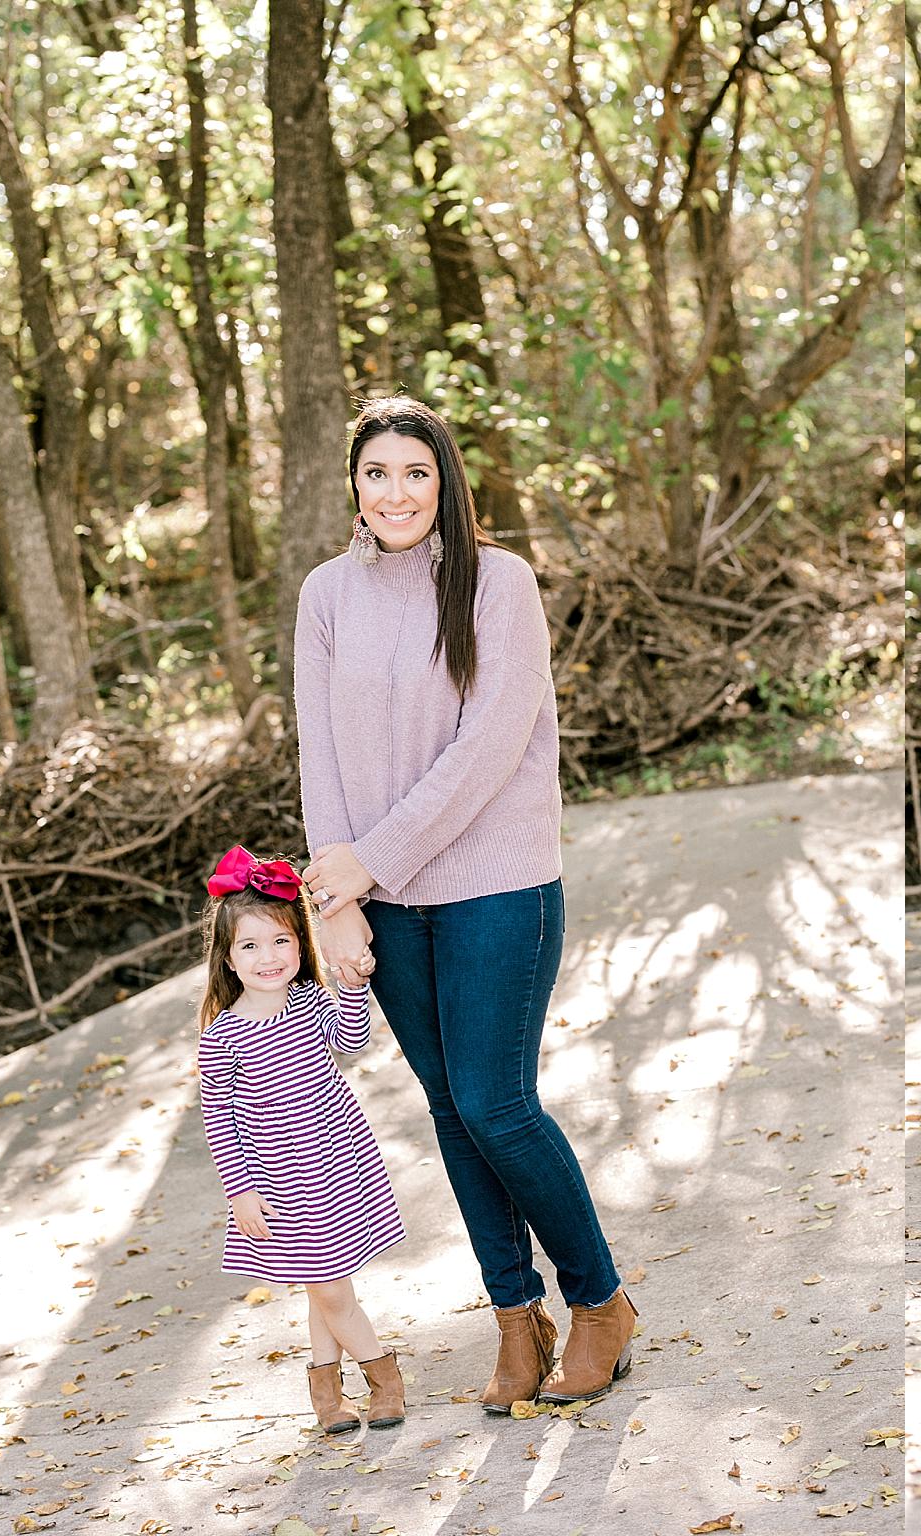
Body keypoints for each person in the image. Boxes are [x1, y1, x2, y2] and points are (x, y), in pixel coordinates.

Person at [294, 396, 635, 1412]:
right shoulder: (325, 595)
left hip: (499, 883)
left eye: (414, 473)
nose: (395, 492)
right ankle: (513, 1321)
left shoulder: (499, 582)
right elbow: (319, 756)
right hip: (379, 902)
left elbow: (490, 748)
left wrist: (372, 861)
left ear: (443, 482)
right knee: (450, 1112)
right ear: (354, 486)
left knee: (496, 1102)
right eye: (376, 474)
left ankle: (601, 1304)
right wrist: (334, 896)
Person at [195, 845, 407, 1434]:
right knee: (330, 1290)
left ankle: (328, 1397)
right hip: (281, 1182)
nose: (269, 957)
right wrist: (240, 1194)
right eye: (251, 946)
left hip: (341, 1164)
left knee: (326, 1286)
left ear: (300, 943)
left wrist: (352, 987)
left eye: (281, 941)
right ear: (229, 958)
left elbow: (353, 1040)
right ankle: (382, 1376)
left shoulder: (309, 1000)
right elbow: (219, 1120)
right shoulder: (222, 1036)